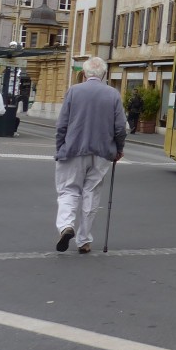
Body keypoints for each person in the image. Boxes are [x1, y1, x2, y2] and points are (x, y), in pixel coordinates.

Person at [54, 57, 125, 254]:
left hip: (73, 149)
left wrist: (60, 147)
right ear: (104, 75)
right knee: (91, 193)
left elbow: (62, 124)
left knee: (68, 190)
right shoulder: (113, 94)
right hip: (102, 152)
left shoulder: (74, 91)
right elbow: (120, 127)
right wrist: (118, 149)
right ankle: (84, 240)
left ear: (84, 74)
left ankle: (66, 226)